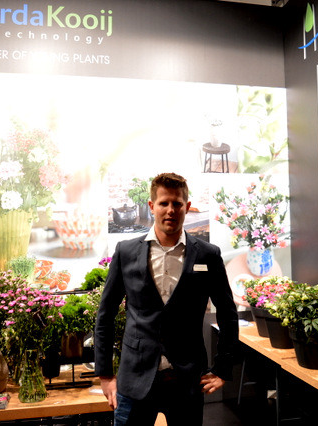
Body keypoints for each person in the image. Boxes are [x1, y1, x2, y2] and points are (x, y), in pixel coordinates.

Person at [94, 172, 239, 426]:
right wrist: (105, 375)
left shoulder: (207, 254)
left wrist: (223, 369)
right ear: (152, 206)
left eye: (177, 203)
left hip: (187, 379)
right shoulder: (126, 252)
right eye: (164, 203)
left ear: (187, 207)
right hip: (135, 377)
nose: (171, 210)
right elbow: (105, 315)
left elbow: (228, 314)